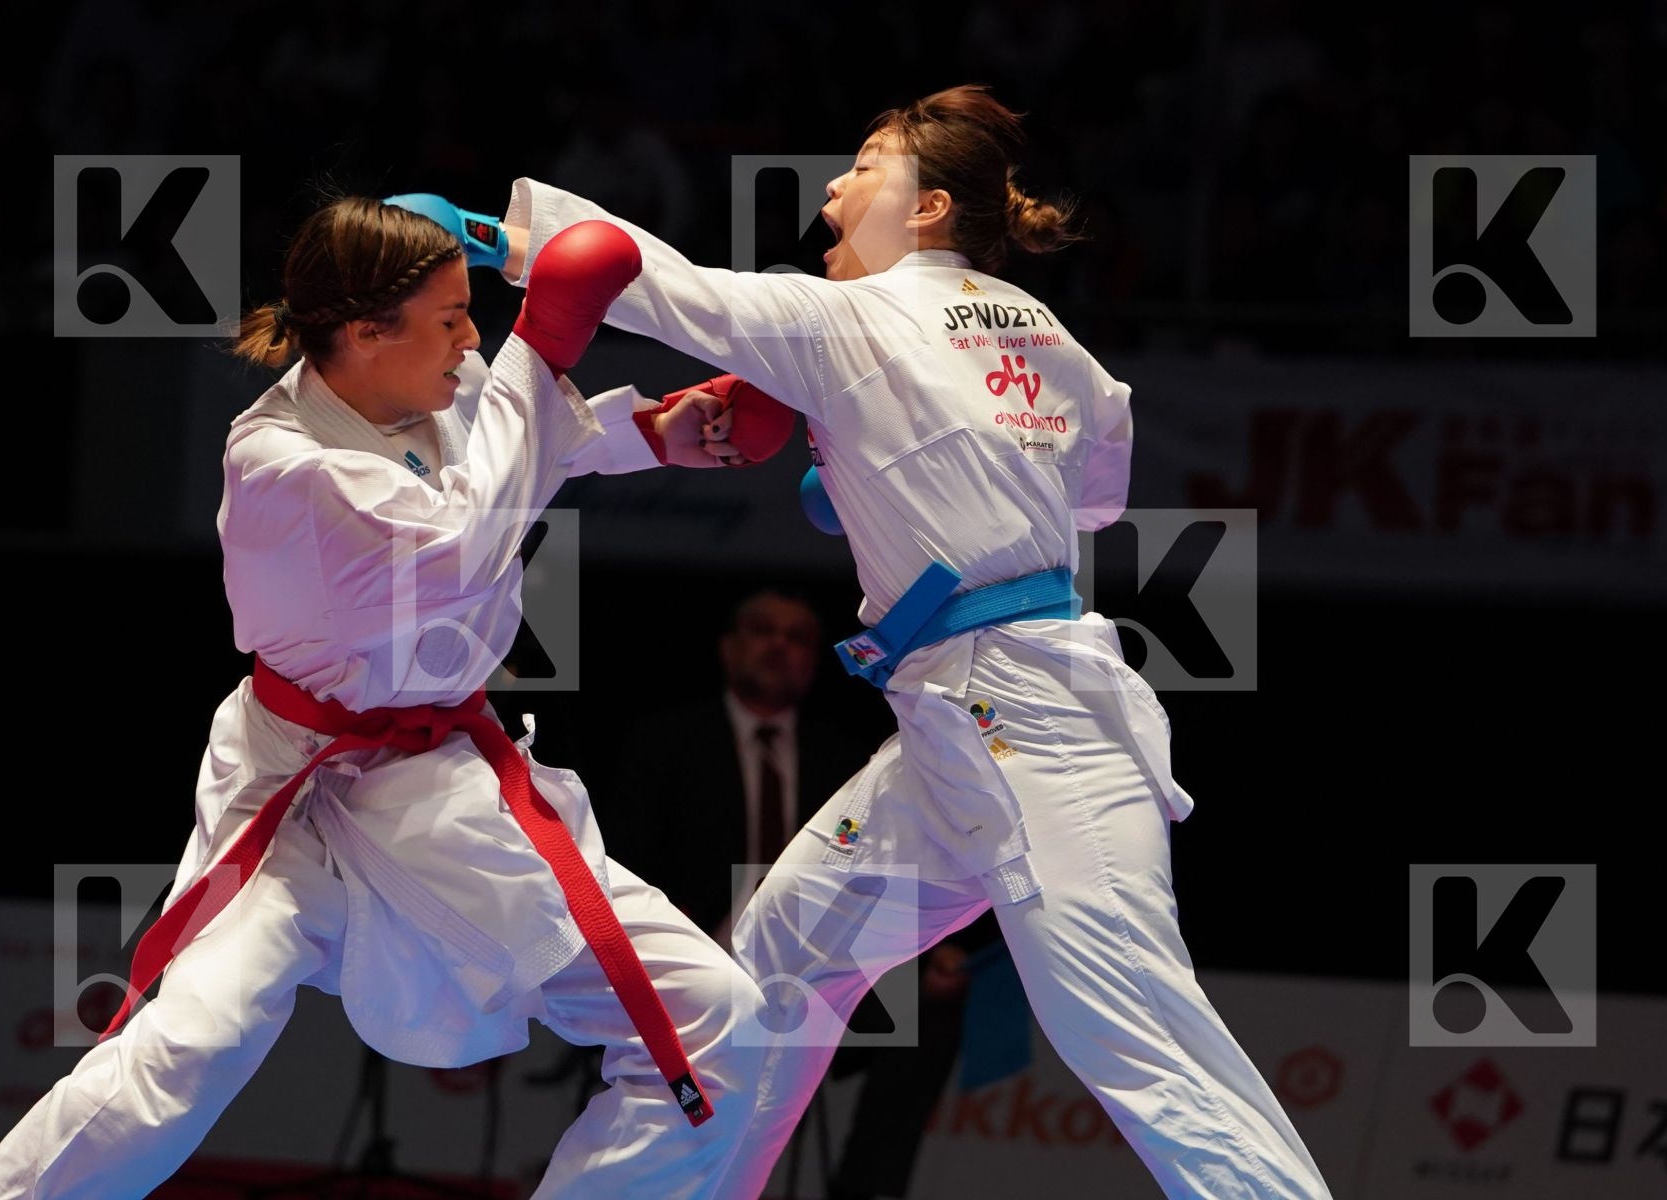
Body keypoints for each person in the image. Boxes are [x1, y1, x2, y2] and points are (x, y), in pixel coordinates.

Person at [497, 85, 1335, 1198]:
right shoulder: (1062, 343)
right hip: (951, 735)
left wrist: (480, 236)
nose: (833, 192)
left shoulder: (850, 318)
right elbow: (1093, 499)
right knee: (778, 965)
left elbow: (640, 274)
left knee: (1131, 1026)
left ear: (930, 208)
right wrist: (898, 470)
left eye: (862, 169)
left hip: (1035, 732)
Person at [0, 191, 792, 1199]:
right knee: (195, 1042)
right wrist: (548, 337)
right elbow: (455, 548)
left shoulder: (444, 384)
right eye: (450, 320)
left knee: (720, 1022)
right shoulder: (278, 462)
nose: (473, 339)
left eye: (476, 316)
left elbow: (524, 440)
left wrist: (653, 430)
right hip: (292, 791)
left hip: (444, 790)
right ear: (361, 332)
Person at [603, 588, 880, 946]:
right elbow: (623, 853)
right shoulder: (666, 742)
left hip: (812, 951)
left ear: (813, 662)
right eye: (763, 630)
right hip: (687, 945)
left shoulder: (846, 761)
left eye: (797, 638)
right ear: (729, 647)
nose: (779, 645)